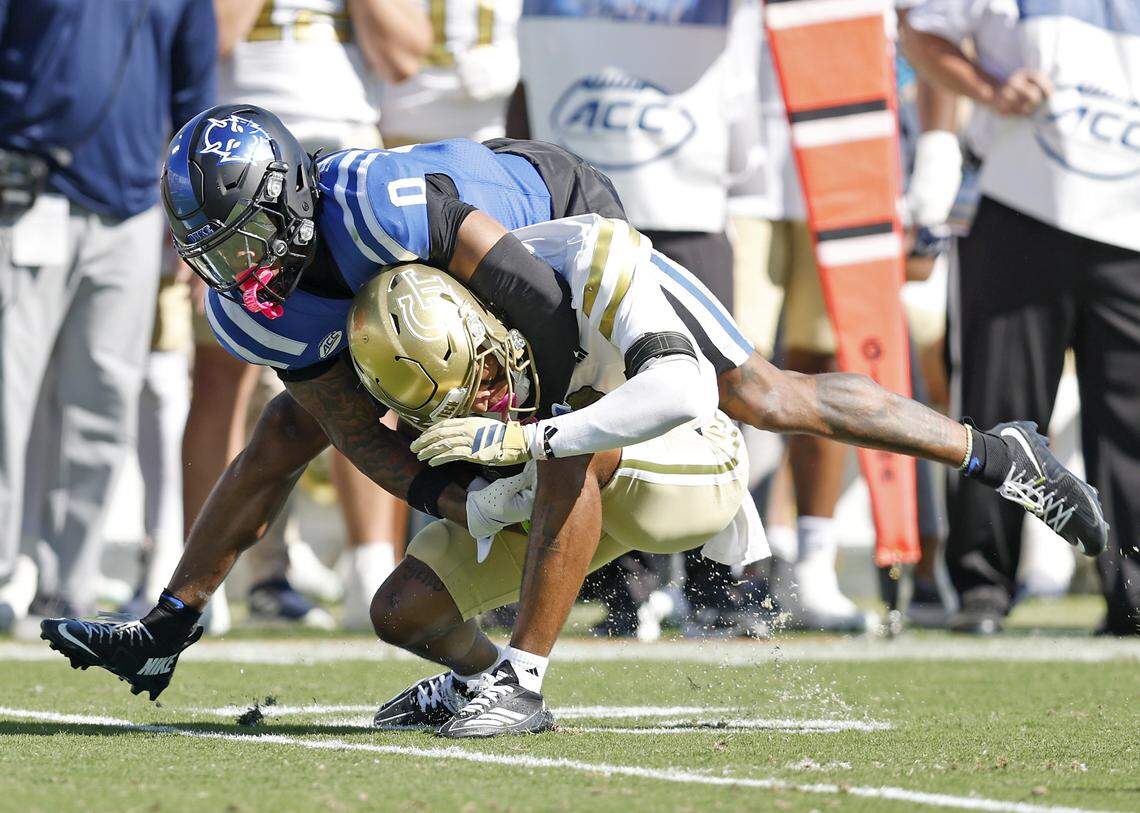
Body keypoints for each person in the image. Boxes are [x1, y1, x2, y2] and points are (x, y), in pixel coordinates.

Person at [40, 104, 1104, 711]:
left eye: (240, 245)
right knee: (284, 432)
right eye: (212, 257)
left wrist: (522, 428)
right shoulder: (261, 307)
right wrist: (446, 491)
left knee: (755, 389)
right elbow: (345, 424)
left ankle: (991, 452)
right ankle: (172, 625)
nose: (233, 275)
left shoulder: (378, 203)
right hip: (457, 305)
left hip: (553, 226)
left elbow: (545, 317)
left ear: (281, 201)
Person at [356, 222, 754, 735]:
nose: (483, 405)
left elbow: (682, 394)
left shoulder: (587, 267)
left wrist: (533, 439)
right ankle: (480, 681)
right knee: (400, 611)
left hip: (691, 463)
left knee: (569, 441)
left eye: (486, 379)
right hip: (568, 492)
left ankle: (521, 679)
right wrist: (483, 501)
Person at [180, 0, 430, 630]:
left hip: (342, 148)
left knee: (380, 363)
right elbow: (207, 39)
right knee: (221, 374)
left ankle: (370, 565)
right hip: (231, 165)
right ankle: (202, 586)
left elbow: (405, 55)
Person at [902, 0, 1140, 635]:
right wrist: (990, 89)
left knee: (1133, 421)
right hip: (1018, 208)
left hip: (1133, 225)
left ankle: (1134, 596)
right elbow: (921, 31)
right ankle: (983, 586)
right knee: (999, 405)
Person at [0, 0, 216, 627]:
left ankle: (69, 580)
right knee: (7, 399)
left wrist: (194, 215)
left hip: (129, 212)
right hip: (26, 194)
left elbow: (193, 97)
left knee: (105, 401)